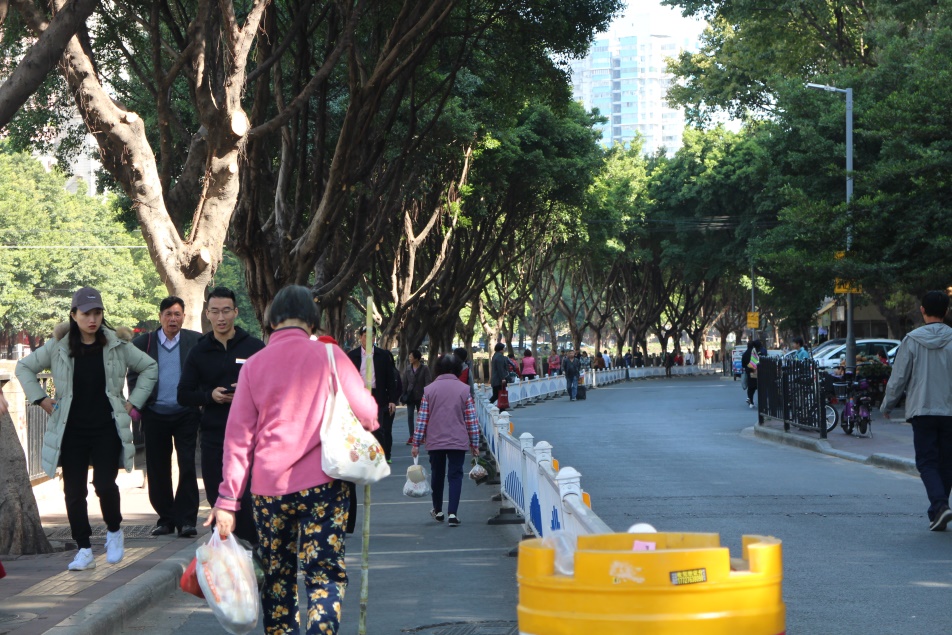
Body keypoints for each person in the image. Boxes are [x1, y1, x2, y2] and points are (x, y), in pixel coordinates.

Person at [207, 285, 379, 634]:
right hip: (324, 489)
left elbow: (238, 439)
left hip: (268, 492)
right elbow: (368, 416)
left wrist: (227, 500)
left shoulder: (253, 366)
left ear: (271, 321)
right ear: (312, 321)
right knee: (324, 575)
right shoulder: (331, 357)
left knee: (277, 577)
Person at [16, 287, 157, 571]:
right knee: (73, 491)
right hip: (71, 430)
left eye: (97, 313)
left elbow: (150, 367)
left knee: (105, 484)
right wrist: (42, 399)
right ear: (74, 315)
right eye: (86, 314)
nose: (92, 319)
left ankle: (114, 532)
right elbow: (23, 368)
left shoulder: (116, 344)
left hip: (106, 428)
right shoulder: (58, 346)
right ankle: (83, 549)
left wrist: (132, 404)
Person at [177, 286, 264, 544]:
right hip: (215, 437)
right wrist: (209, 396)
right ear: (208, 314)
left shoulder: (254, 347)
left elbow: (273, 391)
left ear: (236, 312)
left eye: (226, 310)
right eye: (215, 311)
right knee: (220, 501)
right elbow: (183, 394)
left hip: (251, 439)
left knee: (248, 500)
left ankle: (253, 555)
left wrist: (248, 392)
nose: (221, 317)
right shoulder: (199, 350)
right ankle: (228, 559)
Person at [128, 297, 202, 537]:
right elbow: (133, 376)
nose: (173, 319)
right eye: (169, 314)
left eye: (178, 314)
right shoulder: (143, 343)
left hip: (186, 413)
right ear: (160, 316)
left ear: (183, 316)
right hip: (155, 414)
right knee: (158, 469)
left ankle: (187, 519)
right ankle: (166, 519)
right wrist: (140, 403)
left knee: (188, 466)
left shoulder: (194, 341)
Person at [881, 290, 952, 531]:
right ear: (946, 311)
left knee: (927, 461)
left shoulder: (911, 340)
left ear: (922, 310)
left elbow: (899, 377)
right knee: (947, 462)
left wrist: (888, 404)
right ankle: (938, 512)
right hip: (950, 412)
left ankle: (940, 506)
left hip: (922, 410)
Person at [411, 353, 480, 527]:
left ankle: (438, 510)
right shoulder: (464, 390)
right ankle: (453, 514)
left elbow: (422, 419)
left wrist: (416, 443)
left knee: (437, 474)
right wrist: (475, 443)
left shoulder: (429, 390)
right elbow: (471, 419)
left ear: (437, 369)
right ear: (457, 369)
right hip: (458, 440)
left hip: (435, 440)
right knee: (455, 475)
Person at [347, 326, 399, 464]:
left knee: (378, 428)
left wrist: (392, 400)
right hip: (359, 396)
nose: (368, 339)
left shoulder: (383, 356)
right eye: (365, 336)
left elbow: (390, 379)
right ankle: (361, 456)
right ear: (360, 337)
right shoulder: (352, 356)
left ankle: (378, 457)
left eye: (372, 336)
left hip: (378, 396)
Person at [401, 349, 432, 445]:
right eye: (409, 356)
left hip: (421, 396)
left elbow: (428, 382)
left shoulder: (424, 368)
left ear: (417, 358)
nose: (410, 358)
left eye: (411, 357)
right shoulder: (408, 368)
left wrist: (427, 395)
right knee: (410, 416)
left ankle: (422, 435)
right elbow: (404, 383)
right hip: (410, 396)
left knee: (421, 416)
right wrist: (403, 395)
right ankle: (412, 436)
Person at [741, 340, 764, 408]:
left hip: (750, 373)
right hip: (758, 372)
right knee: (760, 388)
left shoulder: (745, 354)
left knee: (751, 388)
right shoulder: (757, 352)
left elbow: (743, 364)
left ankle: (751, 401)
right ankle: (761, 402)